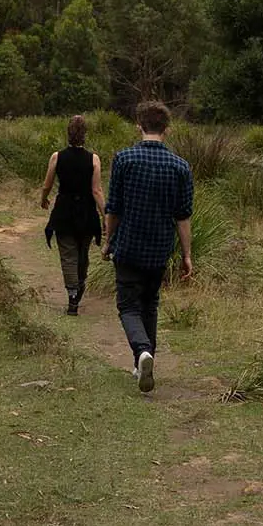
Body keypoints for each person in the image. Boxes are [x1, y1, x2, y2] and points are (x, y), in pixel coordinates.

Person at [102, 101, 194, 393]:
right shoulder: (180, 166)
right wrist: (187, 255)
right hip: (159, 247)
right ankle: (144, 358)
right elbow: (183, 215)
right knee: (150, 304)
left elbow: (113, 207)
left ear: (139, 125)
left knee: (128, 305)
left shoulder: (124, 159)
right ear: (166, 129)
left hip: (129, 243)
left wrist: (107, 240)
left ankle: (141, 351)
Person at [39, 114, 105, 315]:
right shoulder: (93, 159)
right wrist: (105, 215)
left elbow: (47, 183)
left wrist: (43, 198)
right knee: (82, 254)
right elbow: (96, 190)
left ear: (68, 133)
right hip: (86, 212)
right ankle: (79, 285)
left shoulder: (57, 157)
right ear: (85, 134)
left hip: (64, 210)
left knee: (68, 255)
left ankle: (72, 295)